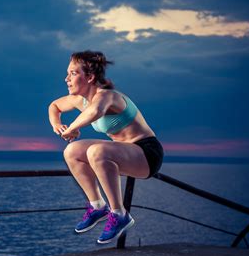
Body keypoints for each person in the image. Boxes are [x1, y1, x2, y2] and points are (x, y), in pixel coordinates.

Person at [48, 50, 164, 244]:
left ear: (90, 77)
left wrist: (74, 128)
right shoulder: (80, 100)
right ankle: (97, 205)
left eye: (73, 73)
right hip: (122, 151)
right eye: (67, 73)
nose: (66, 78)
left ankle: (119, 214)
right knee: (72, 151)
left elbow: (96, 111)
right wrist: (57, 125)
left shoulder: (107, 96)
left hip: (146, 153)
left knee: (96, 151)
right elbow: (54, 106)